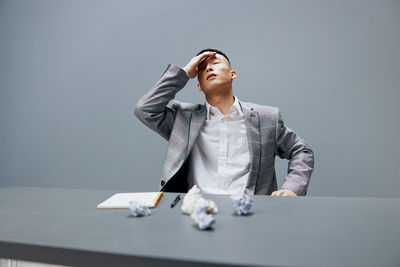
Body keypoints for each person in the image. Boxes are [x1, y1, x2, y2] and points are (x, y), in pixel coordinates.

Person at [135, 49, 314, 196]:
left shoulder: (266, 117)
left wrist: (292, 188)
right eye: (202, 67)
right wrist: (185, 72)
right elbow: (145, 109)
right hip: (197, 213)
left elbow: (301, 150)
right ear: (198, 85)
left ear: (232, 74)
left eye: (216, 63)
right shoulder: (183, 119)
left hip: (251, 215)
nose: (208, 68)